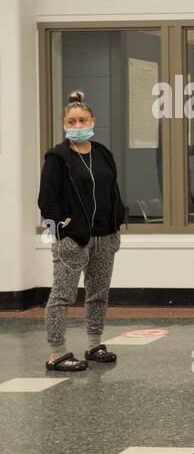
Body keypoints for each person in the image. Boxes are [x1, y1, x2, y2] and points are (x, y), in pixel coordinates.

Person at [38, 90, 127, 373]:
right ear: (65, 125)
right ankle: (56, 353)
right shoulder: (57, 156)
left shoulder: (102, 153)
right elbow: (46, 200)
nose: (78, 126)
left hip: (105, 236)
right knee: (62, 295)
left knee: (98, 294)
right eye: (72, 122)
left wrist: (118, 219)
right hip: (72, 239)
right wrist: (61, 229)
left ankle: (94, 344)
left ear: (93, 121)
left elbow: (112, 190)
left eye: (83, 120)